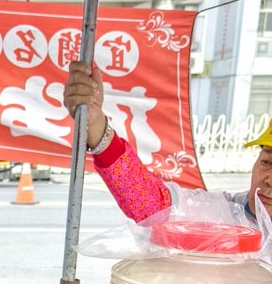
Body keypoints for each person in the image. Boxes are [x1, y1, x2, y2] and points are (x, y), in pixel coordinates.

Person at [63, 61, 272, 230]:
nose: (268, 181)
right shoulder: (227, 214)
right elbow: (152, 205)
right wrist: (98, 127)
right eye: (266, 162)